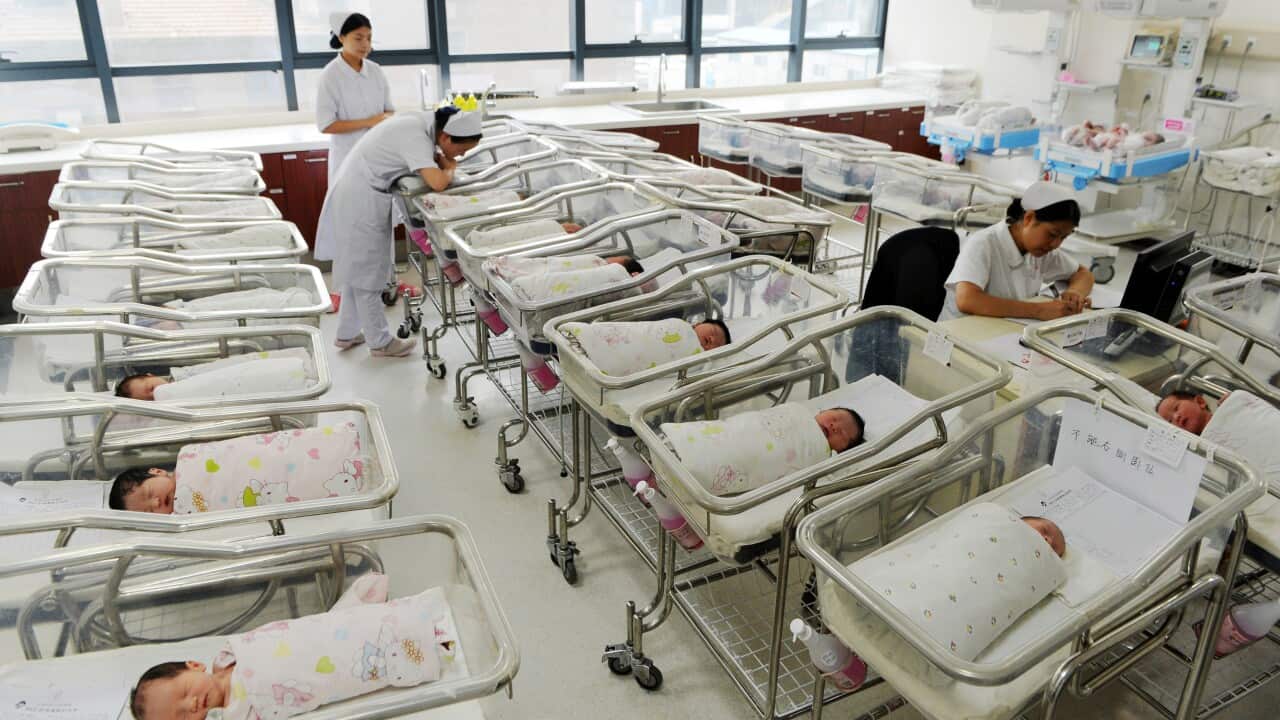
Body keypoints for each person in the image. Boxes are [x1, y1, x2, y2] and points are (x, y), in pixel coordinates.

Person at [317, 106, 483, 357]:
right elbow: (438, 183)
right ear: (446, 137)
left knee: (357, 269)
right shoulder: (416, 135)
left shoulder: (421, 124)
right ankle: (380, 342)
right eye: (460, 150)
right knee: (369, 275)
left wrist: (443, 162)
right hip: (360, 199)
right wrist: (449, 168)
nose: (458, 156)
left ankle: (346, 333)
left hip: (360, 191)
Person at [314, 12, 395, 314]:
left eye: (369, 38)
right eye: (358, 38)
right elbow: (326, 124)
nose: (365, 44)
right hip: (347, 161)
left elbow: (389, 111)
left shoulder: (375, 71)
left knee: (380, 223)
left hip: (378, 160)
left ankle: (385, 283)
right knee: (350, 226)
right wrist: (371, 122)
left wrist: (385, 123)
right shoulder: (330, 76)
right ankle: (344, 291)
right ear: (341, 38)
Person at [940, 181, 1094, 322]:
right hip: (960, 333)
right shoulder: (983, 243)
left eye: (1063, 237)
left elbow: (1083, 273)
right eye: (1052, 234)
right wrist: (1039, 310)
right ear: (1029, 218)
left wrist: (1075, 293)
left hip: (1001, 331)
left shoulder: (1041, 250)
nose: (1056, 244)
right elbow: (967, 300)